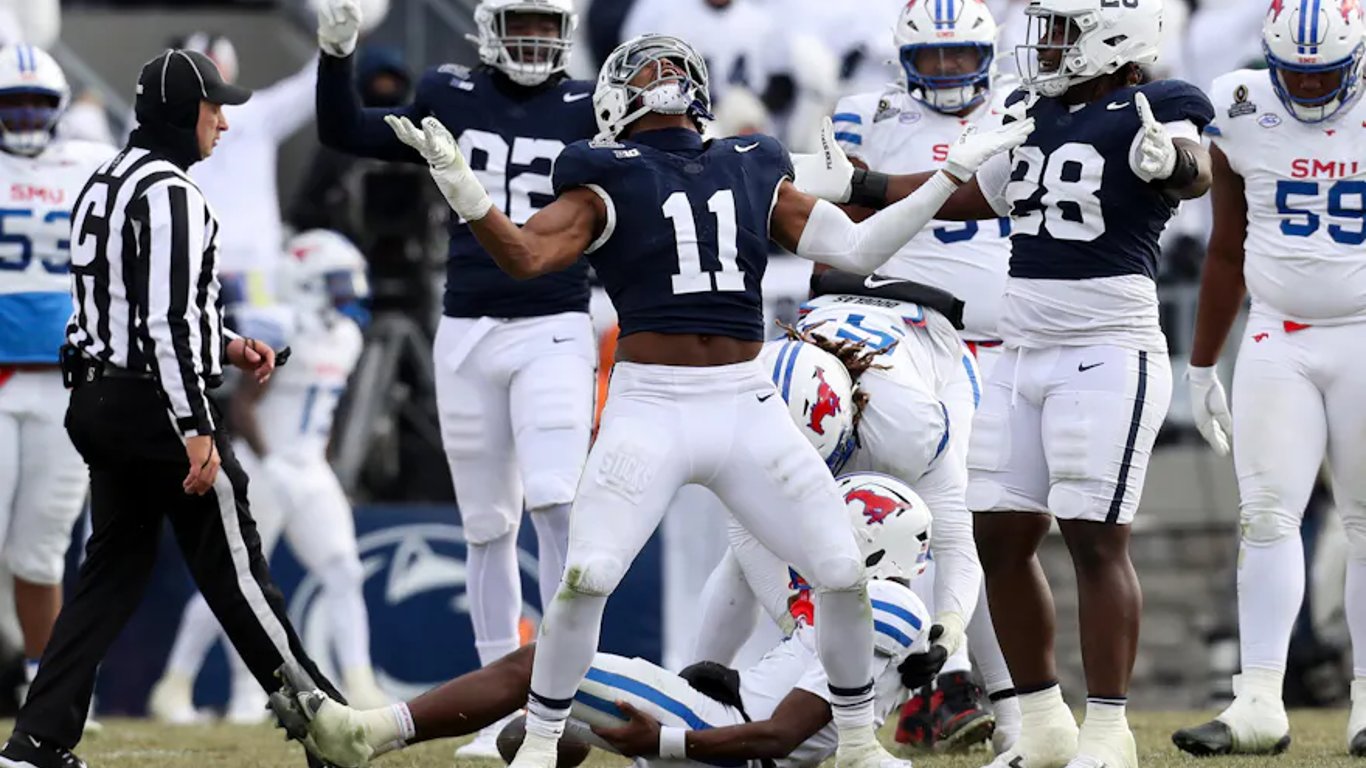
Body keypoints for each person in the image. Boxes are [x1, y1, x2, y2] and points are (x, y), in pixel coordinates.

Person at [372, 30, 1030, 768]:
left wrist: (947, 181)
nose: (659, 80)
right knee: (588, 575)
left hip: (745, 400)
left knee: (843, 570)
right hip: (652, 404)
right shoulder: (603, 174)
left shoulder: (750, 161)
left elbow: (859, 250)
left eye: (665, 69)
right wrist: (467, 195)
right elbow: (526, 257)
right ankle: (543, 741)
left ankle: (855, 745)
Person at [794, 1, 1215, 766]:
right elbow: (965, 195)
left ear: (1113, 40)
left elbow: (1194, 166)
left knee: (1094, 540)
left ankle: (1109, 729)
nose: (1045, 46)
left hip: (1107, 346)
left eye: (1061, 31)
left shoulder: (1159, 103)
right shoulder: (1032, 110)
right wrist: (860, 181)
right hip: (1021, 349)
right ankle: (1045, 721)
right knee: (997, 534)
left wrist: (1176, 165)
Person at [0, 48, 343, 768]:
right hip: (154, 403)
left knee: (110, 572)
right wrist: (195, 427)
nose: (222, 120)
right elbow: (161, 322)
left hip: (96, 395)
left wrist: (223, 342)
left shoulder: (103, 180)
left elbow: (132, 307)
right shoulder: (172, 192)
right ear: (180, 114)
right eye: (212, 107)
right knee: (238, 570)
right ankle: (328, 730)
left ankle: (36, 741)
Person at [313, 0, 599, 752]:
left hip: (557, 324)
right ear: (488, 26)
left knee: (557, 502)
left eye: (547, 24)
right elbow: (344, 131)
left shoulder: (592, 103)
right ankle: (499, 703)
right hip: (468, 327)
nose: (535, 39)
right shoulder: (448, 93)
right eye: (522, 23)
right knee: (486, 527)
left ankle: (567, 694)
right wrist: (337, 57)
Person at [272, 478, 933, 768]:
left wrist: (666, 743)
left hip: (722, 744)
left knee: (544, 663)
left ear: (873, 546)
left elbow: (786, 731)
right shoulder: (886, 611)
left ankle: (368, 734)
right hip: (722, 727)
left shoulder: (891, 605)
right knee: (531, 729)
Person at [1172, 0, 1366, 757]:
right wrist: (1199, 364)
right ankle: (1257, 700)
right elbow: (1226, 247)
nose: (1310, 90)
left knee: (1364, 523)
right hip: (1276, 332)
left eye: (1325, 77)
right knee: (1265, 516)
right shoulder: (1240, 104)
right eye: (1295, 75)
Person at [825, 0, 1018, 752]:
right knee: (930, 528)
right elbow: (833, 230)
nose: (945, 71)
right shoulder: (863, 112)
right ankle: (945, 687)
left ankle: (973, 693)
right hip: (903, 342)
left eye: (959, 55)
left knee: (988, 531)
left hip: (1003, 346)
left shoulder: (1020, 107)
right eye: (930, 58)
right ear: (905, 58)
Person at [148, 229, 389, 725]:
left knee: (344, 570)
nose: (349, 291)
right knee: (240, 580)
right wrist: (272, 458)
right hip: (264, 464)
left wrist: (312, 460)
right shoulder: (281, 327)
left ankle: (359, 681)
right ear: (305, 281)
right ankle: (184, 686)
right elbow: (243, 403)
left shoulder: (348, 336)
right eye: (337, 281)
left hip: (307, 467)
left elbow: (324, 410)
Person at [0, 43, 114, 718]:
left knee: (41, 551)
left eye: (33, 103)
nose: (20, 115)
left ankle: (54, 691)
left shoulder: (91, 167)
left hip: (70, 384)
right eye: (8, 103)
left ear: (58, 109)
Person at [179, 31, 319, 308]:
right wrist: (338, 45)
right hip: (214, 261)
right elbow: (313, 86)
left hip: (230, 262)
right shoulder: (257, 112)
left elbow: (311, 87)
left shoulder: (258, 112)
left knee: (226, 343)